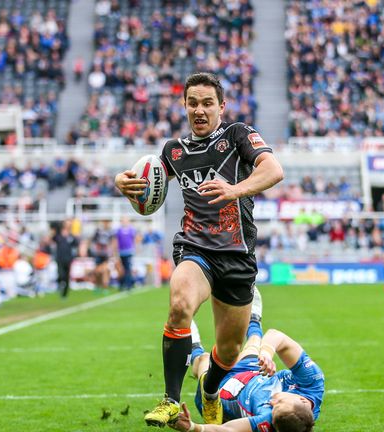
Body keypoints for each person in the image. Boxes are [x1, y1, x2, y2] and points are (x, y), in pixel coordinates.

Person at [115, 72, 284, 426]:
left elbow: (273, 170)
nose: (200, 110)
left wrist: (234, 190)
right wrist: (124, 182)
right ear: (185, 106)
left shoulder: (238, 135)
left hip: (237, 256)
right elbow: (146, 186)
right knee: (179, 304)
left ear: (221, 107)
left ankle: (209, 390)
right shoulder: (173, 151)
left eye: (208, 103)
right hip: (196, 248)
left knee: (229, 351)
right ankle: (171, 401)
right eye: (193, 103)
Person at [171, 289, 323, 432]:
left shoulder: (273, 421)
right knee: (255, 345)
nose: (271, 402)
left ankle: (193, 345)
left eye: (273, 408)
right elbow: (277, 336)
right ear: (302, 400)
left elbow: (229, 430)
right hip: (252, 371)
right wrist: (267, 355)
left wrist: (193, 427)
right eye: (280, 402)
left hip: (223, 395)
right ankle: (254, 321)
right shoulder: (312, 382)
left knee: (203, 361)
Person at [53, 219, 78, 298]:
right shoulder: (58, 235)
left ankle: (65, 294)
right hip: (60, 258)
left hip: (68, 258)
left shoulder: (71, 236)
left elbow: (76, 244)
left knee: (67, 276)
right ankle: (60, 286)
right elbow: (52, 239)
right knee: (61, 274)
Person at [115, 216, 137, 291]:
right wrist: (115, 251)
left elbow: (135, 239)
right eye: (123, 221)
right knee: (121, 269)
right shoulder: (119, 230)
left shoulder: (131, 230)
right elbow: (116, 241)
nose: (124, 222)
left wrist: (135, 248)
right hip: (121, 252)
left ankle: (128, 285)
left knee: (128, 269)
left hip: (129, 252)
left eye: (126, 221)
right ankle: (122, 284)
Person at [91, 220, 113, 290]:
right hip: (98, 254)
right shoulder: (98, 231)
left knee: (105, 270)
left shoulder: (110, 232)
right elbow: (93, 241)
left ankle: (105, 286)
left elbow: (112, 242)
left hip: (105, 254)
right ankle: (98, 285)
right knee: (97, 271)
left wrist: (111, 252)